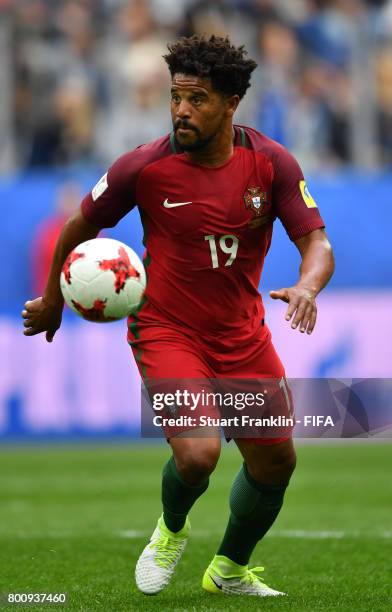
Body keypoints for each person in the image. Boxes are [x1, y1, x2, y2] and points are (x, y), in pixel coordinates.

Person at [22, 35, 334, 598]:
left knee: (276, 465)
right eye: (175, 97)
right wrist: (51, 301)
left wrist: (309, 287)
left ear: (231, 103)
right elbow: (79, 227)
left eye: (197, 100)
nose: (181, 111)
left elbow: (317, 242)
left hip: (242, 334)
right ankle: (170, 530)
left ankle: (229, 570)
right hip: (166, 329)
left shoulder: (271, 162)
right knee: (198, 455)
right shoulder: (145, 166)